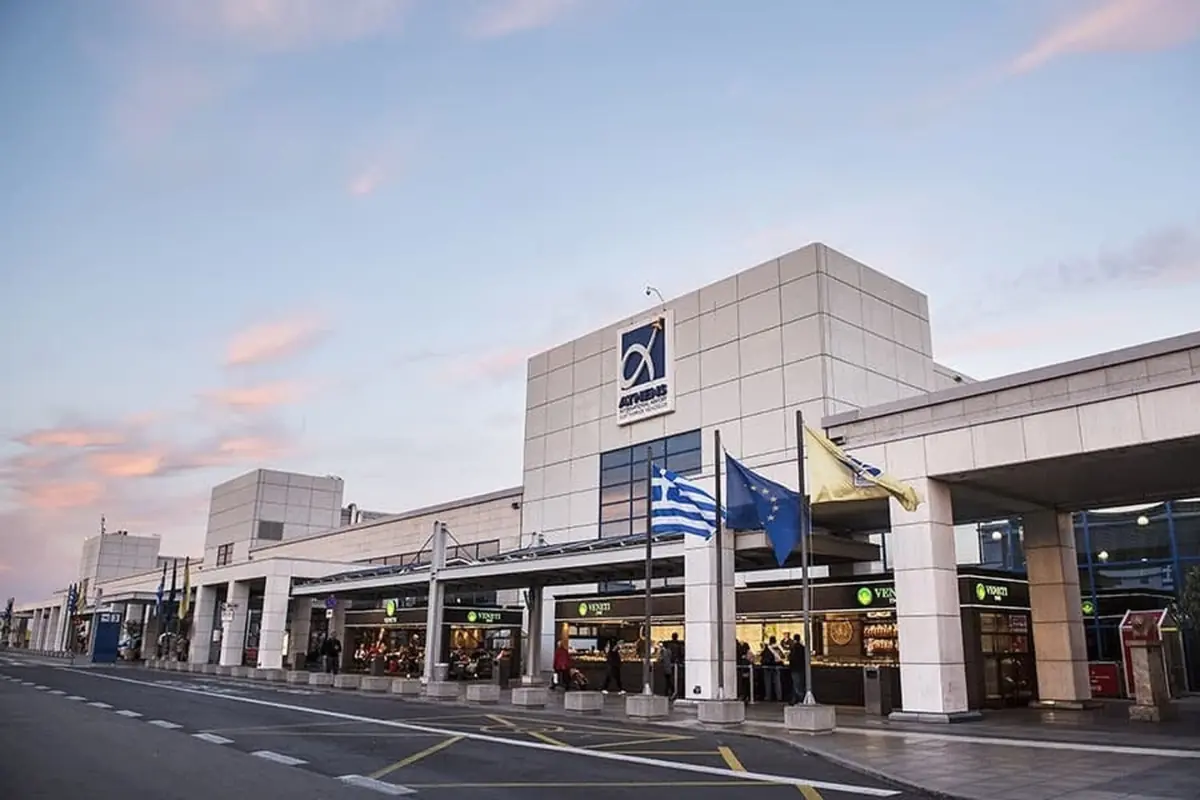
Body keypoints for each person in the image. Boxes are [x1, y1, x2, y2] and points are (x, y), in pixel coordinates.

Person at [761, 636, 784, 702]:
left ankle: (768, 696)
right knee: (777, 682)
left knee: (768, 682)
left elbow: (762, 656)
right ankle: (779, 697)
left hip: (767, 667)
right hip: (776, 666)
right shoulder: (778, 647)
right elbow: (783, 656)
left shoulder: (768, 648)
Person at [788, 636, 808, 705]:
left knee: (796, 685)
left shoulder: (793, 648)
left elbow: (791, 658)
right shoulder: (803, 648)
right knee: (800, 684)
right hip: (802, 668)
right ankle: (797, 699)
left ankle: (798, 699)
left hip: (795, 669)